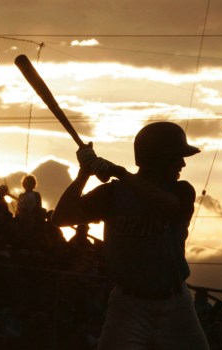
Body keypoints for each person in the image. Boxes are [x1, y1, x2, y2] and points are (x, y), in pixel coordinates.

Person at [52, 121, 208, 349]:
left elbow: (168, 206)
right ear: (159, 159)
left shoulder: (181, 190)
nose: (182, 164)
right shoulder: (113, 194)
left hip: (176, 302)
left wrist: (120, 173)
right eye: (176, 157)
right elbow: (61, 218)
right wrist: (83, 174)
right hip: (128, 305)